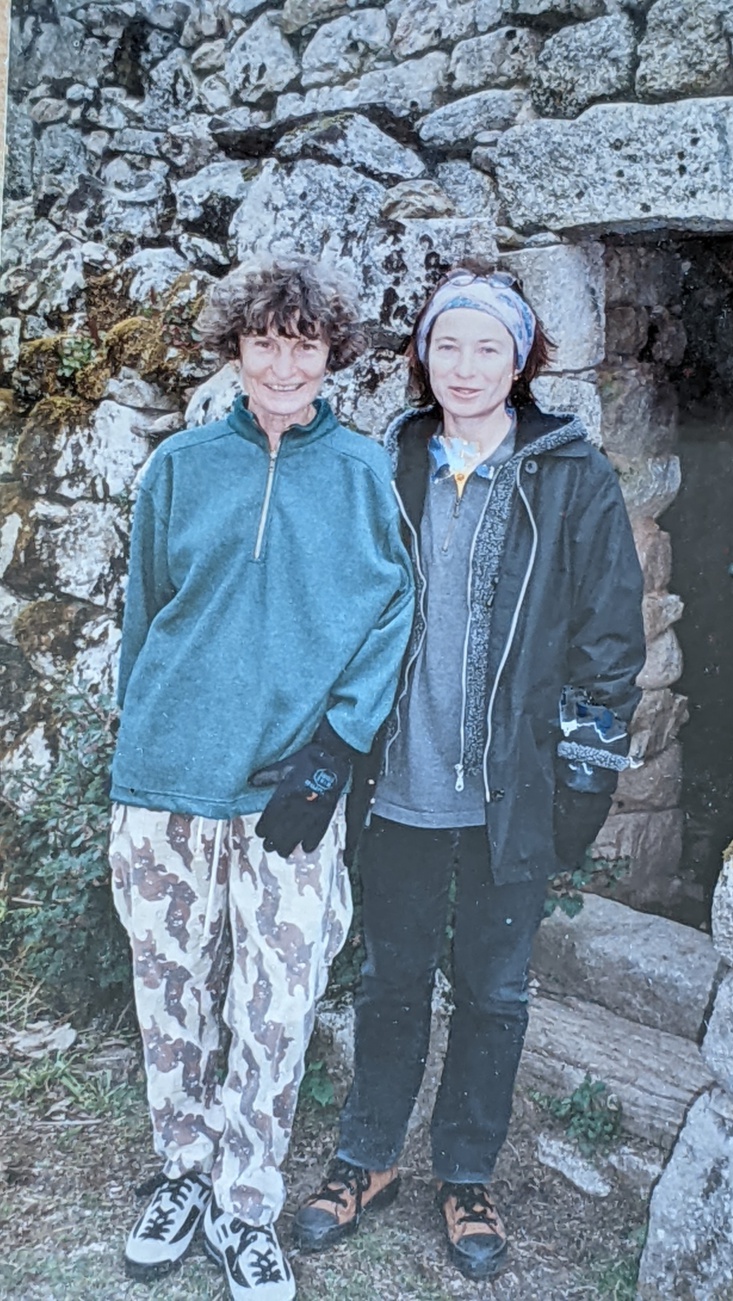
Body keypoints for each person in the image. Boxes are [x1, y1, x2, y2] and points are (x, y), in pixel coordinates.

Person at [291, 266, 646, 1280]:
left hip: (509, 789)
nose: (466, 366)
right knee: (391, 978)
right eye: (448, 344)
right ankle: (365, 1160)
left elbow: (611, 635)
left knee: (493, 991)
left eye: (489, 346)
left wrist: (584, 774)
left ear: (523, 359)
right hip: (397, 782)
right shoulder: (389, 461)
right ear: (423, 356)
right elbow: (343, 611)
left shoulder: (570, 473)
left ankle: (466, 1173)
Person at [109, 257, 414, 1301]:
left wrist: (334, 749)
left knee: (275, 1006)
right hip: (164, 782)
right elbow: (145, 616)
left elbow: (393, 614)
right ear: (235, 350)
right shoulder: (181, 467)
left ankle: (244, 1201)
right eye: (264, 342)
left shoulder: (364, 473)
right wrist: (143, 738)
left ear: (332, 356)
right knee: (173, 994)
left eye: (305, 344)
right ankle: (183, 1173)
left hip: (289, 789)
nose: (284, 364)